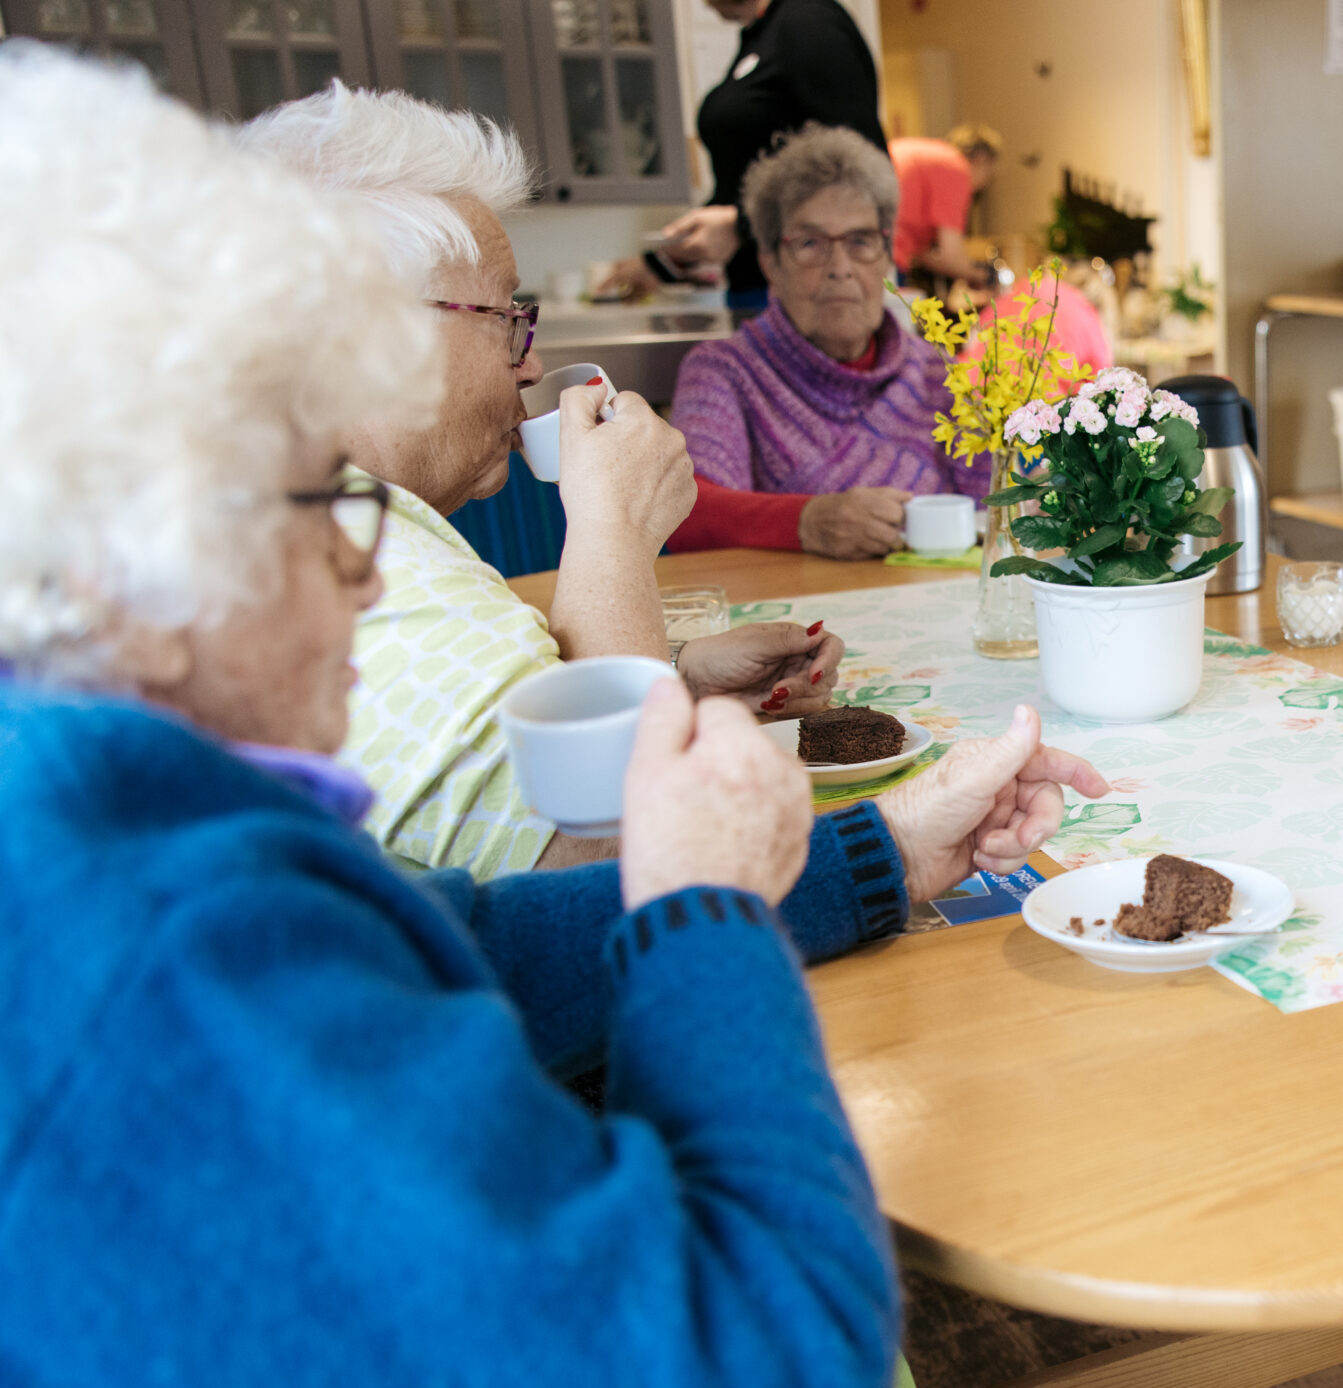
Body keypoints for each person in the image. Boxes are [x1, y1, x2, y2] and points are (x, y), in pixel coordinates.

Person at [0, 46, 1110, 1382]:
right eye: (324, 499)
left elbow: (460, 938)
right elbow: (775, 1343)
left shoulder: (99, 815)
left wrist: (887, 851)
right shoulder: (180, 967)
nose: (368, 564)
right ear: (138, 560)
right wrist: (705, 919)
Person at [239, 85, 849, 881]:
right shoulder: (356, 565)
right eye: (506, 321)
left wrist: (670, 677)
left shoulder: (287, 507)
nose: (528, 364)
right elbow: (614, 870)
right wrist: (612, 530)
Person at [665, 126, 995, 559]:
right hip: (795, 621)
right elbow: (684, 511)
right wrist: (806, 521)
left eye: (860, 241)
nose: (840, 267)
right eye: (810, 243)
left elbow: (996, 508)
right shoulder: (725, 371)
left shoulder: (936, 370)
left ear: (886, 256)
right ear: (770, 263)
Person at [603, 0, 886, 309]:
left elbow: (856, 174)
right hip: (760, 289)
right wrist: (665, 262)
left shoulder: (809, 23)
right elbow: (747, 181)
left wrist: (740, 227)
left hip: (812, 296)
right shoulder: (762, 34)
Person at [891, 122, 1001, 287]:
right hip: (884, 257)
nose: (983, 185)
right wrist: (984, 278)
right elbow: (951, 256)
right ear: (981, 160)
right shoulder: (955, 168)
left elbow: (922, 255)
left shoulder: (931, 157)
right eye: (989, 174)